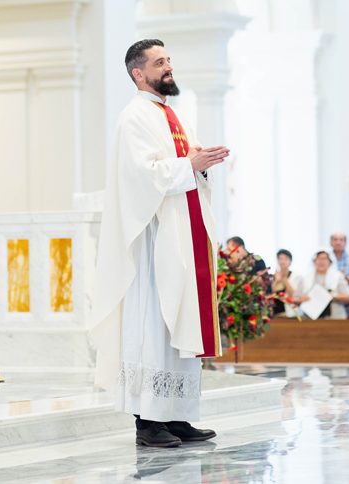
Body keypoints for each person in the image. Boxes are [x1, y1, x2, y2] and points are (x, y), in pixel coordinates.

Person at [89, 39, 230, 448]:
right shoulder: (134, 117)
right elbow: (140, 175)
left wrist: (200, 162)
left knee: (180, 322)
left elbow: (181, 167)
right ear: (138, 73)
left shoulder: (170, 115)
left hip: (181, 236)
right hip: (154, 242)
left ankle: (178, 415)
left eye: (168, 60)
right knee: (155, 325)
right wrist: (189, 165)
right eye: (159, 62)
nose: (169, 67)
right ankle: (148, 421)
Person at [301, 250, 349, 319]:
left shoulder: (337, 276)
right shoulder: (306, 278)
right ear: (314, 261)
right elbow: (295, 299)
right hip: (311, 317)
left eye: (324, 259)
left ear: (330, 262)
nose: (321, 261)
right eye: (319, 258)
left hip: (334, 317)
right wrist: (303, 298)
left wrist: (334, 296)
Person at [269, 249, 304, 316]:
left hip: (290, 314)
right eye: (280, 259)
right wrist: (276, 281)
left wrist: (285, 278)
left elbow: (292, 296)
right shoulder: (273, 277)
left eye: (285, 259)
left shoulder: (296, 276)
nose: (283, 262)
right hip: (275, 313)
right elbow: (270, 294)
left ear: (290, 261)